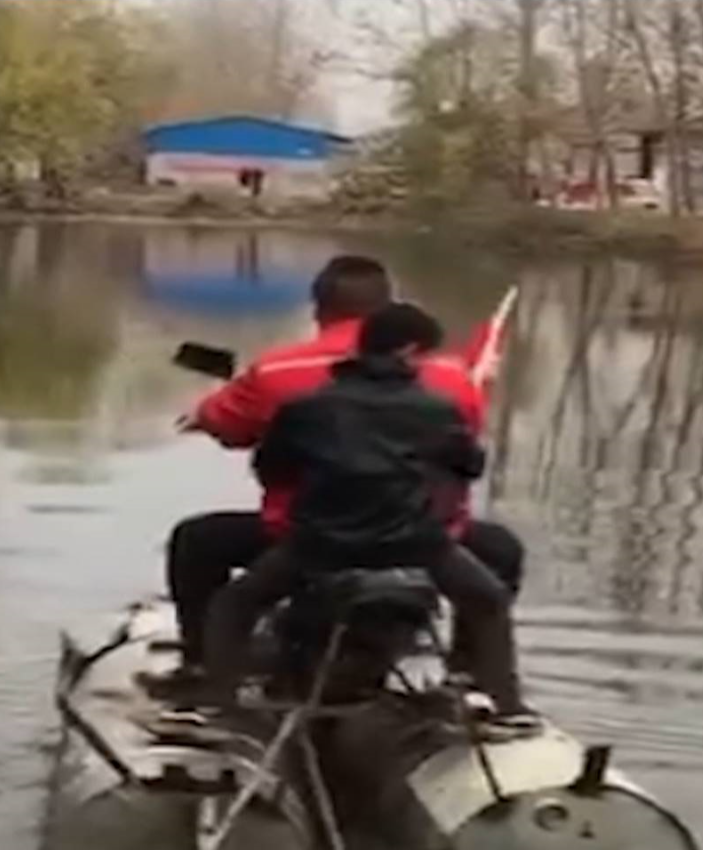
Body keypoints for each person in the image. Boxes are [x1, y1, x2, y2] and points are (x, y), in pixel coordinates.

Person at [158, 255, 524, 686]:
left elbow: (243, 441)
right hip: (421, 539)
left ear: (318, 309)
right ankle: (472, 678)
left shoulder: (277, 373)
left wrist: (209, 416)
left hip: (311, 538)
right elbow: (465, 459)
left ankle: (204, 670)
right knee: (501, 551)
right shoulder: (451, 377)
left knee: (197, 542)